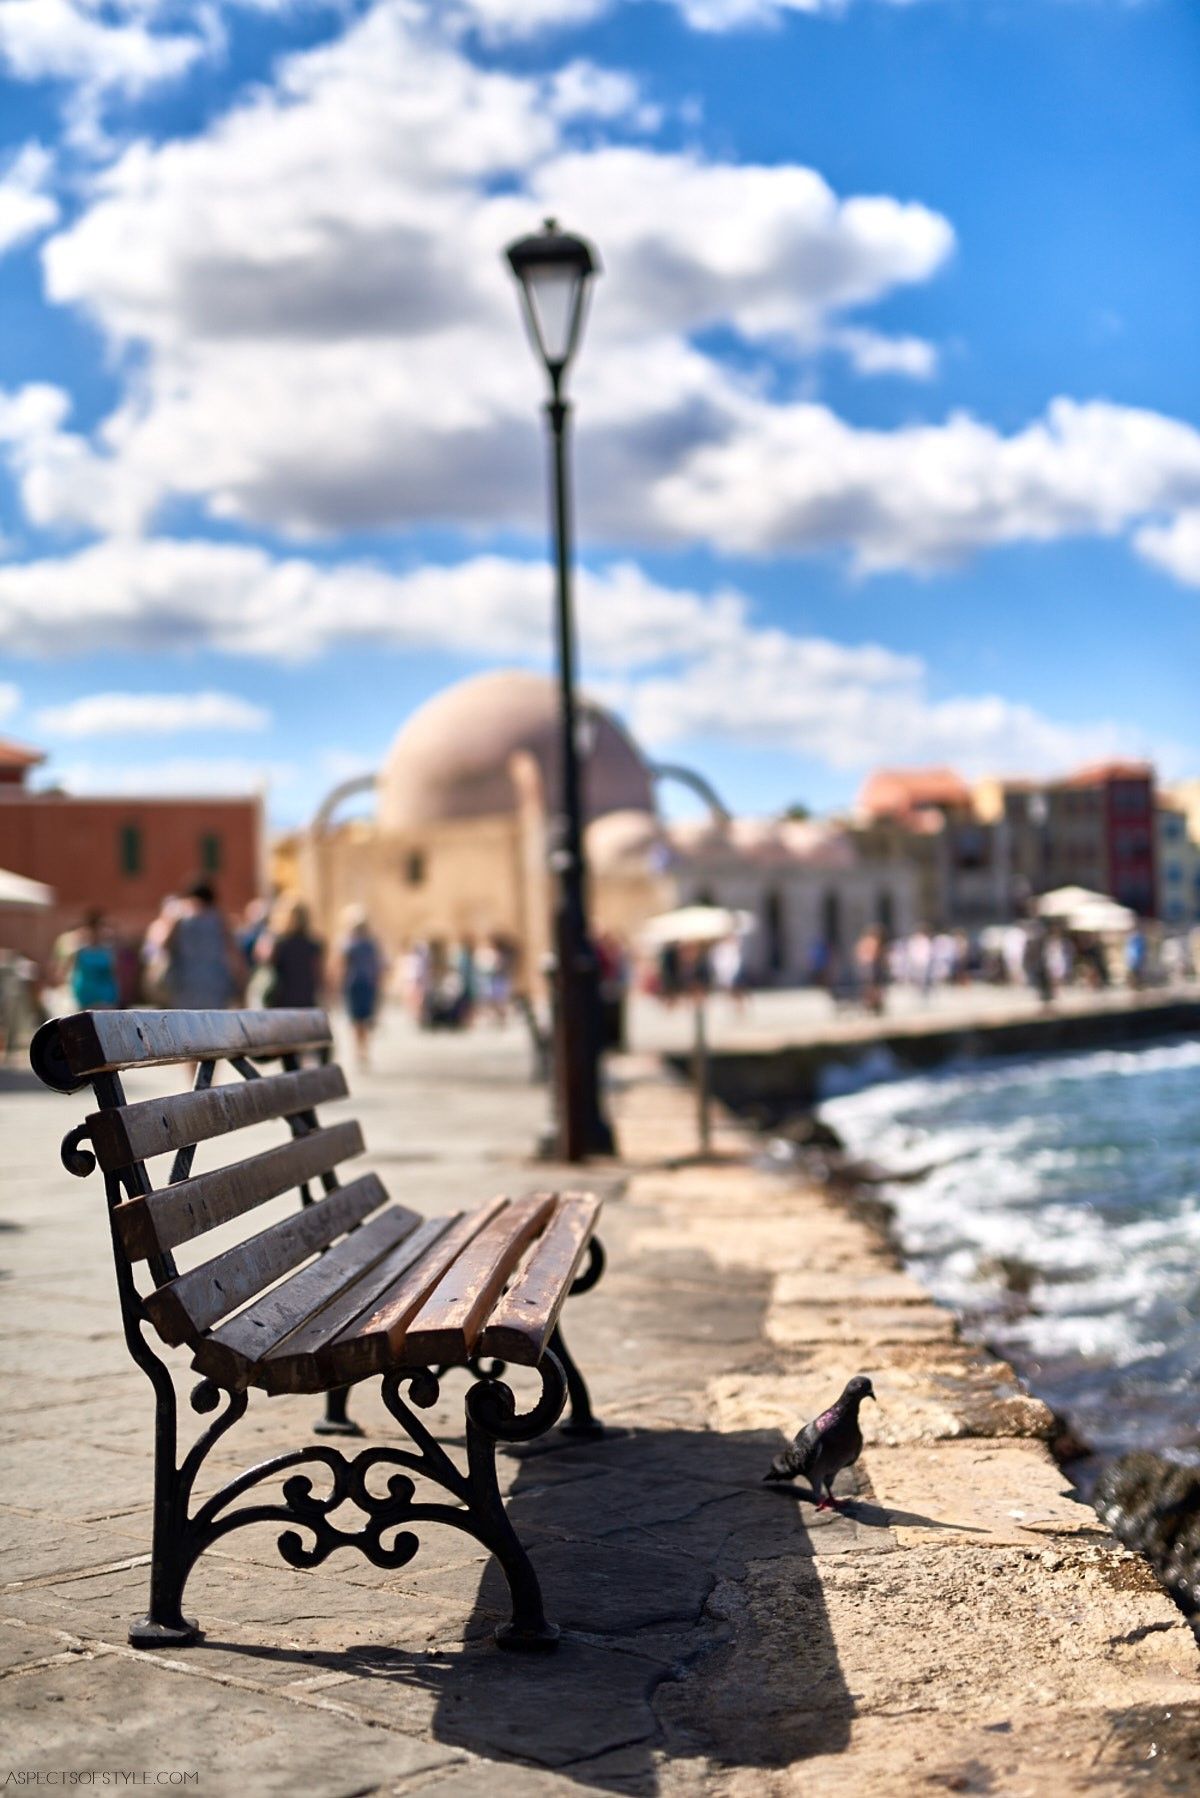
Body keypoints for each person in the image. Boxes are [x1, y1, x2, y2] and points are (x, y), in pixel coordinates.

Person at [163, 880, 244, 1010]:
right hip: (215, 986)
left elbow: (163, 945)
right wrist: (240, 982)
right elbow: (233, 954)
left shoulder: (180, 919)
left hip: (184, 985)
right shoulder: (220, 921)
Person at [338, 906, 383, 1067]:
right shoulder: (369, 943)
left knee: (358, 1019)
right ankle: (362, 1049)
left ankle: (360, 1049)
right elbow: (378, 965)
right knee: (361, 1019)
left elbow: (342, 964)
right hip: (363, 983)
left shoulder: (351, 942)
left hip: (356, 983)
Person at [262, 900, 325, 1009]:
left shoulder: (279, 942)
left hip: (283, 1000)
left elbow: (264, 960)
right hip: (305, 998)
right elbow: (319, 975)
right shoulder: (314, 944)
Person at [68, 910, 118, 1010]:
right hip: (86, 996)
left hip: (105, 997)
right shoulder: (80, 950)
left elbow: (113, 973)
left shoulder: (109, 950)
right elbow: (73, 972)